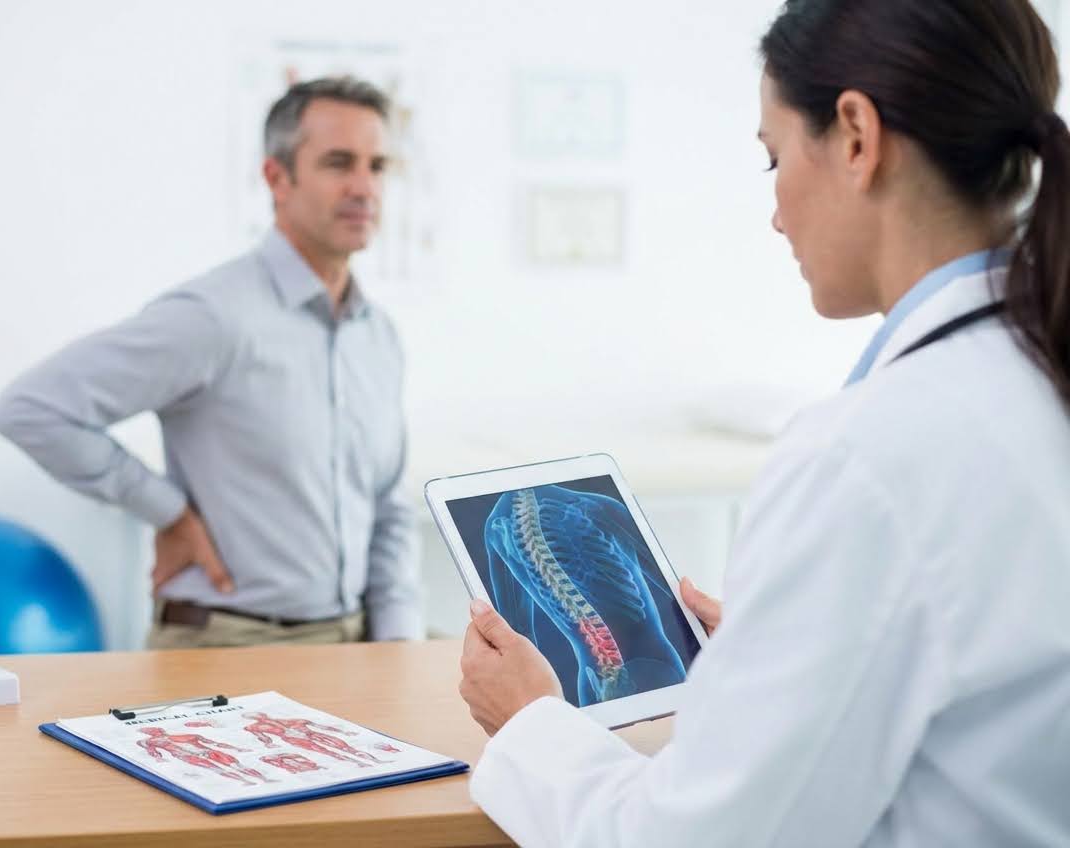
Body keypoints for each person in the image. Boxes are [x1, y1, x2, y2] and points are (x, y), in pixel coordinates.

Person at [458, 1, 1070, 844]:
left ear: (856, 134)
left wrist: (529, 724)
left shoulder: (868, 455)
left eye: (773, 157)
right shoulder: (1033, 379)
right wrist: (781, 654)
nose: (776, 212)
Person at [0, 76, 422, 647]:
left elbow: (388, 504)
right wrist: (168, 512)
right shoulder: (214, 316)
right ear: (277, 178)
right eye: (339, 163)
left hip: (356, 641)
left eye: (377, 166)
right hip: (229, 642)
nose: (364, 187)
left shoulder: (378, 335)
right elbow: (32, 409)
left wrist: (398, 646)